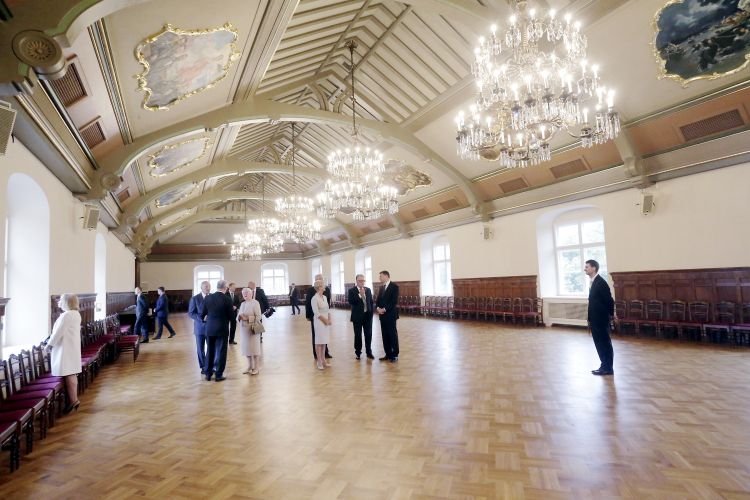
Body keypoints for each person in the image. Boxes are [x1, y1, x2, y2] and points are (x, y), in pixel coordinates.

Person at [47, 293, 82, 413]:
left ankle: (74, 400)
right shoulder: (76, 314)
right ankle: (74, 399)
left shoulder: (67, 315)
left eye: (60, 300)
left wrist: (49, 345)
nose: (58, 302)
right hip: (71, 347)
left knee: (69, 374)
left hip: (65, 349)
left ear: (67, 302)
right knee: (71, 373)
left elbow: (58, 332)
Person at [585, 259, 615, 376]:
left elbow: (609, 300)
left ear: (593, 268)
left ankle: (608, 368)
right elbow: (593, 302)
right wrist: (589, 317)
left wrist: (611, 315)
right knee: (599, 343)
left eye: (587, 267)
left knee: (604, 343)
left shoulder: (601, 282)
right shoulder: (593, 282)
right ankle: (604, 365)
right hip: (595, 319)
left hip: (601, 319)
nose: (585, 269)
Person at [201, 279, 233, 382]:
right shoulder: (227, 299)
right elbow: (231, 316)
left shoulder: (208, 298)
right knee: (221, 352)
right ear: (225, 288)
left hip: (209, 328)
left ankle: (208, 374)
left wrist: (206, 319)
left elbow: (202, 314)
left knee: (210, 351)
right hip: (222, 329)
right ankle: (218, 375)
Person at [305, 274, 332, 360]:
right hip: (315, 316)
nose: (319, 281)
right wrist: (308, 316)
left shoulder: (326, 290)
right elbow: (308, 303)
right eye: (317, 279)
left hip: (325, 315)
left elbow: (328, 303)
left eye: (320, 279)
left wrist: (328, 316)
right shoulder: (311, 290)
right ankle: (317, 355)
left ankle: (325, 353)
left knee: (324, 336)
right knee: (316, 336)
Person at [348, 274, 374, 360]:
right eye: (360, 281)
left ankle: (369, 352)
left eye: (363, 281)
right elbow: (351, 301)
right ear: (356, 281)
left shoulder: (368, 290)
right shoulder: (351, 290)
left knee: (368, 335)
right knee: (358, 335)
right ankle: (358, 353)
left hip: (368, 316)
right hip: (357, 317)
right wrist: (360, 295)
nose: (362, 282)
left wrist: (371, 312)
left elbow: (371, 302)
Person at [237, 287, 262, 375]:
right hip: (244, 330)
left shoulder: (255, 303)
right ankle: (249, 366)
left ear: (251, 294)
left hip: (253, 329)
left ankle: (256, 368)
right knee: (246, 349)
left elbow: (259, 317)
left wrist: (247, 318)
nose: (244, 295)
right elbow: (238, 315)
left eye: (246, 293)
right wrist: (239, 317)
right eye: (243, 293)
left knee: (254, 349)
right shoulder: (242, 304)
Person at [376, 270, 399, 362]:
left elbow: (393, 302)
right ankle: (388, 354)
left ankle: (395, 355)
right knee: (385, 335)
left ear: (386, 276)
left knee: (392, 335)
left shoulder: (394, 287)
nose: (379, 278)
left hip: (390, 315)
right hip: (382, 316)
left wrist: (384, 309)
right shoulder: (381, 287)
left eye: (381, 276)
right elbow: (378, 300)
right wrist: (378, 308)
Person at [188, 281, 210, 375]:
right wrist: (201, 318)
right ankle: (203, 367)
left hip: (211, 328)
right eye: (206, 286)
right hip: (199, 328)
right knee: (200, 349)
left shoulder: (212, 297)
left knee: (211, 348)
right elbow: (191, 313)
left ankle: (209, 365)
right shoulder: (195, 298)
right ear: (201, 288)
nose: (208, 288)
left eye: (209, 286)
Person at [311, 282, 331, 370]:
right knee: (319, 341)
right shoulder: (314, 298)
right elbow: (316, 313)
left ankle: (323, 360)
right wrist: (325, 320)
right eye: (323, 285)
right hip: (319, 322)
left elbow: (328, 309)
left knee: (324, 341)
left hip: (326, 321)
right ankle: (319, 361)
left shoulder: (325, 297)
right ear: (319, 287)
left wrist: (329, 319)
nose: (324, 286)